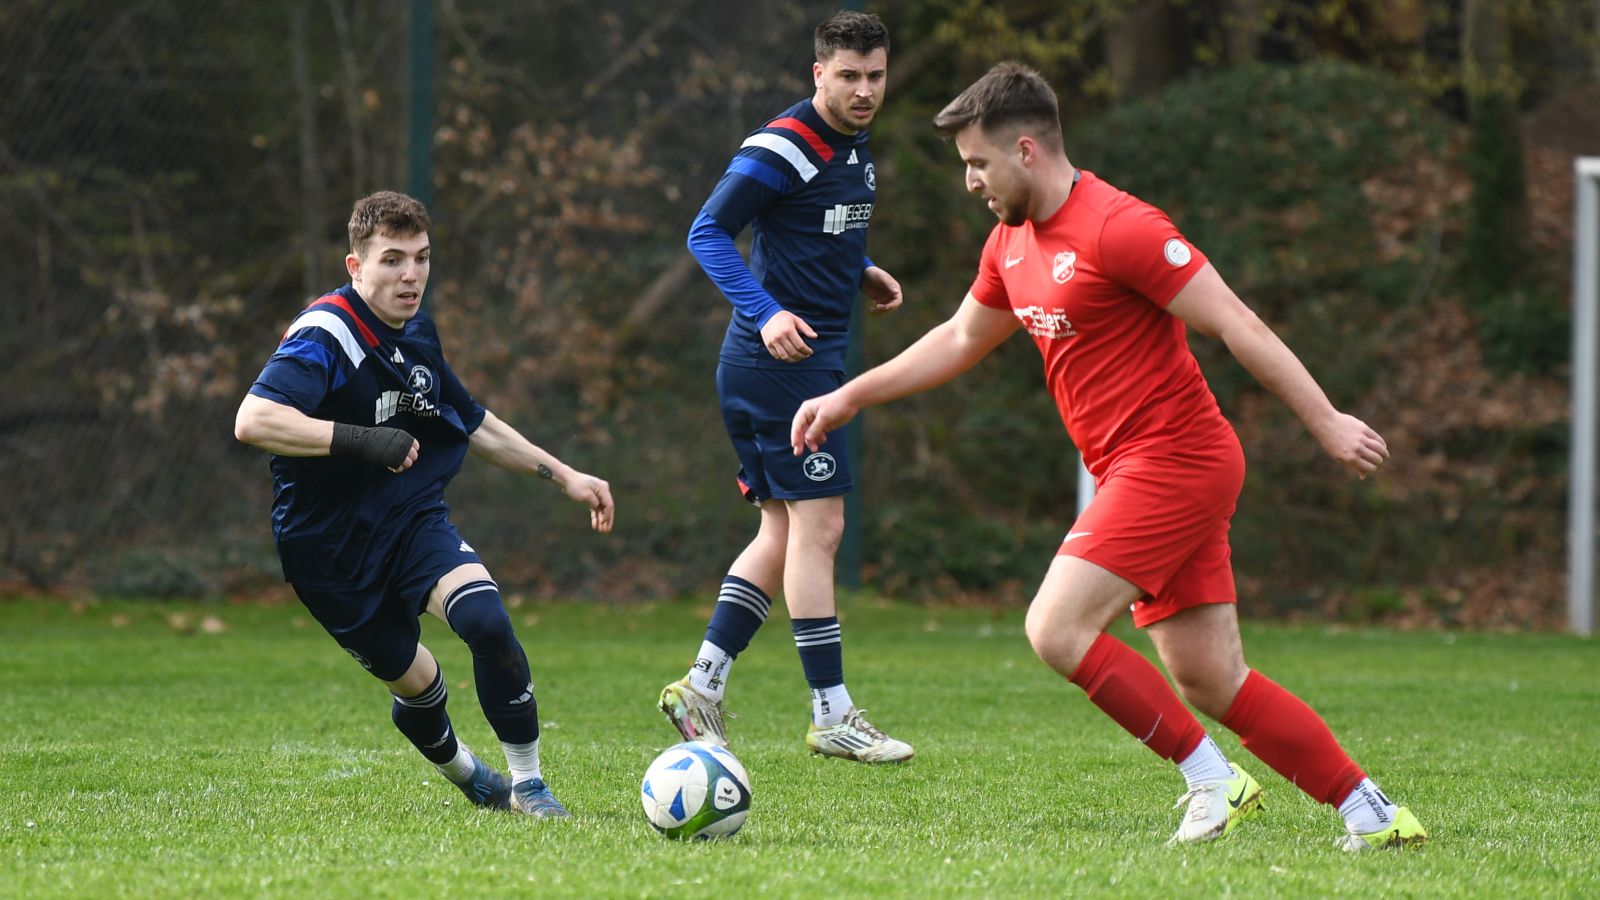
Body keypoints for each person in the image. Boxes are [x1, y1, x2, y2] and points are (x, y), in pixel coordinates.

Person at [791, 62, 1428, 850]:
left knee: (1055, 627)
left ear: (1026, 150)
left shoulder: (1119, 227)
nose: (970, 182)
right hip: (1135, 468)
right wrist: (850, 396)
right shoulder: (1008, 242)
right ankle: (1373, 812)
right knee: (1210, 679)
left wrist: (1326, 421)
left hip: (1177, 459)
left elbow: (1236, 321)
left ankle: (1213, 781)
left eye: (978, 163)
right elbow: (958, 339)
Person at [234, 191, 615, 818]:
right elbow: (254, 420)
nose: (410, 275)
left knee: (486, 621)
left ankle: (529, 786)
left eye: (421, 258)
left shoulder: (416, 333)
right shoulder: (326, 334)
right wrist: (361, 439)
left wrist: (565, 475)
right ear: (356, 266)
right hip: (326, 550)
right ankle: (470, 775)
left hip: (408, 518)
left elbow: (471, 420)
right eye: (392, 260)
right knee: (418, 684)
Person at [657, 10, 912, 764]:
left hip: (802, 365)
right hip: (778, 367)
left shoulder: (854, 144)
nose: (864, 91)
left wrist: (859, 269)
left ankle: (702, 686)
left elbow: (811, 227)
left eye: (875, 76)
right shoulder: (784, 145)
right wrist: (766, 312)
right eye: (849, 76)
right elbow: (706, 232)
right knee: (821, 529)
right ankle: (831, 712)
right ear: (818, 74)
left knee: (782, 533)